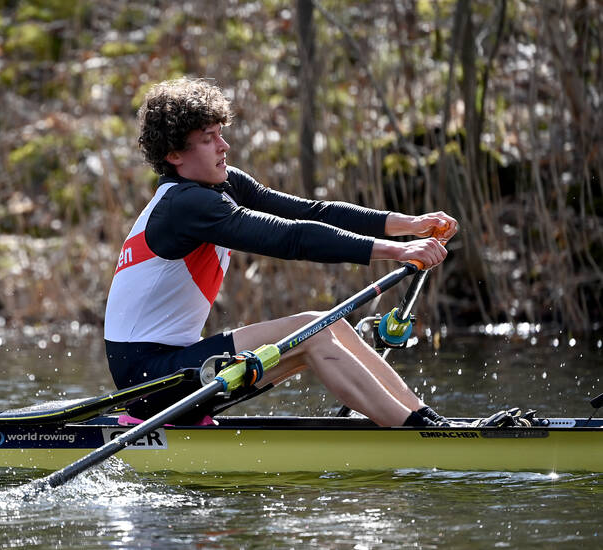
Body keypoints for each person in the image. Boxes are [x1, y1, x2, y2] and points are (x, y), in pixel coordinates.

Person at [103, 78, 458, 427]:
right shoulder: (184, 205)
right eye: (208, 139)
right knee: (312, 330)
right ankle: (413, 432)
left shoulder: (223, 185)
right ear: (174, 154)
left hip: (176, 365)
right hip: (148, 379)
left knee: (326, 323)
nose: (224, 146)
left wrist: (410, 223)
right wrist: (398, 251)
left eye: (221, 133)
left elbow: (312, 213)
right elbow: (290, 238)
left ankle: (427, 420)